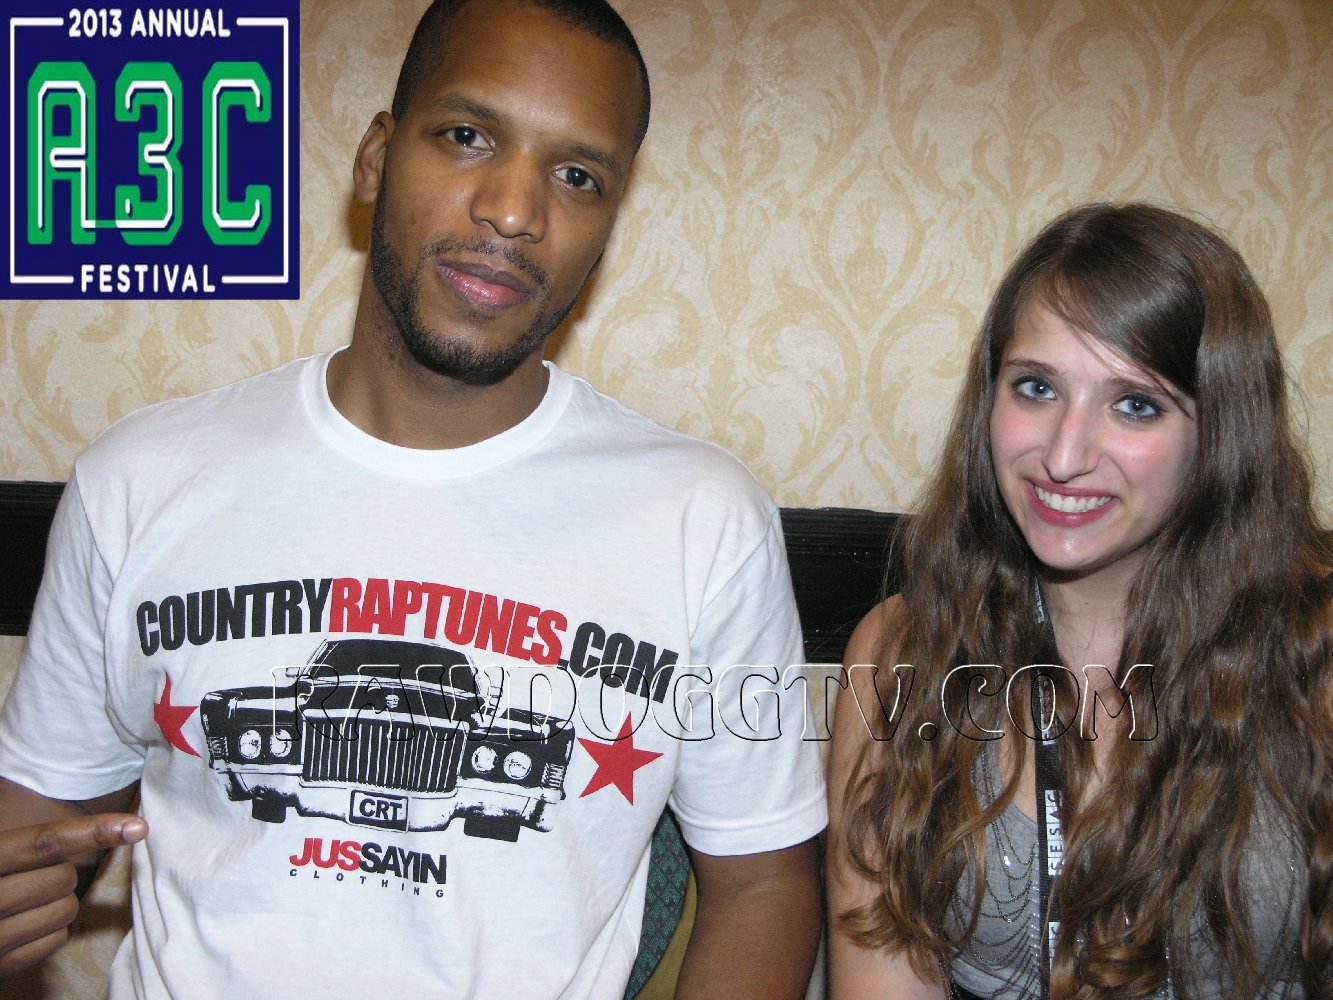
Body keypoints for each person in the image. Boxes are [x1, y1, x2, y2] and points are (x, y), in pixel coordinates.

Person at [0, 1, 826, 996]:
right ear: (375, 158)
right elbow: (39, 812)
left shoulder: (705, 520)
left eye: (577, 175)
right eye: (466, 135)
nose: (513, 210)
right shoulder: (138, 480)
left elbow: (764, 881)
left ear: (609, 225)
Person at [827, 203, 1332, 999]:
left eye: (1135, 404)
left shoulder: (1316, 646)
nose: (1063, 456)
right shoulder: (903, 650)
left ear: (1220, 429)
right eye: (1035, 387)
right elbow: (877, 962)